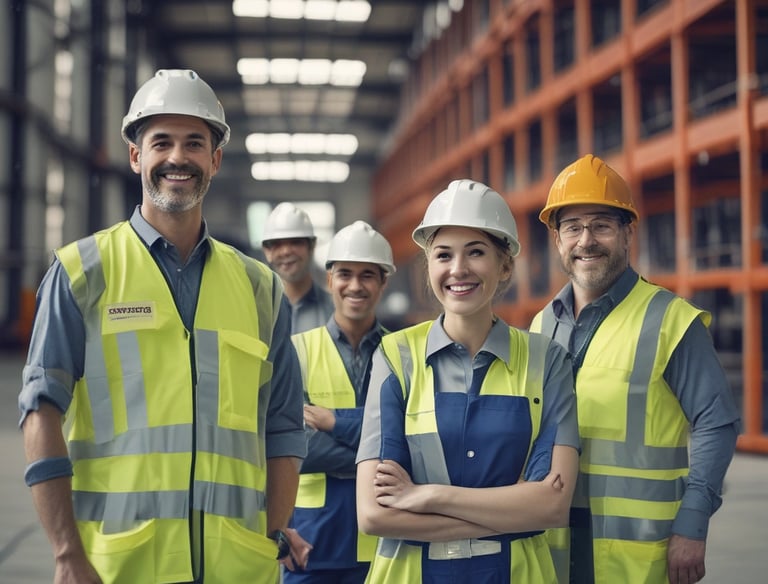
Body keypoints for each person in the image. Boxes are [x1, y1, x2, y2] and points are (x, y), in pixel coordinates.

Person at [18, 69, 307, 584]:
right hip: (120, 566)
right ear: (136, 156)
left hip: (236, 568)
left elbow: (282, 427)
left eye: (195, 143)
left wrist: (272, 530)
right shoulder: (84, 273)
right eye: (162, 142)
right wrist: (66, 552)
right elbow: (41, 412)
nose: (178, 157)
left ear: (215, 160)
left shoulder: (260, 288)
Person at [530, 154, 741, 584]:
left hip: (640, 548)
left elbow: (717, 423)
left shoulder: (670, 321)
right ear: (557, 239)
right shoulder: (541, 324)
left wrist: (693, 521)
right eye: (572, 227)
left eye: (601, 225)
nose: (586, 240)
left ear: (628, 233)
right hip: (553, 540)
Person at [356, 179, 580, 583]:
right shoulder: (395, 356)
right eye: (443, 255)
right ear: (429, 266)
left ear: (505, 265)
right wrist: (512, 512)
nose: (458, 269)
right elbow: (374, 513)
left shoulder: (547, 361)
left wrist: (427, 495)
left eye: (475, 252)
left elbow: (551, 507)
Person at [286, 220, 396, 584]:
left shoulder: (404, 353)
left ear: (383, 282)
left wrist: (334, 422)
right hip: (311, 541)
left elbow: (410, 435)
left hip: (386, 541)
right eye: (345, 273)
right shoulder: (297, 351)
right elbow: (297, 445)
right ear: (329, 279)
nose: (355, 285)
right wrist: (377, 452)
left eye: (368, 275)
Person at [262, 202, 334, 333]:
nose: (286, 251)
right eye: (277, 244)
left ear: (312, 246)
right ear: (267, 251)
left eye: (295, 242)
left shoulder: (335, 311)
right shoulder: (257, 310)